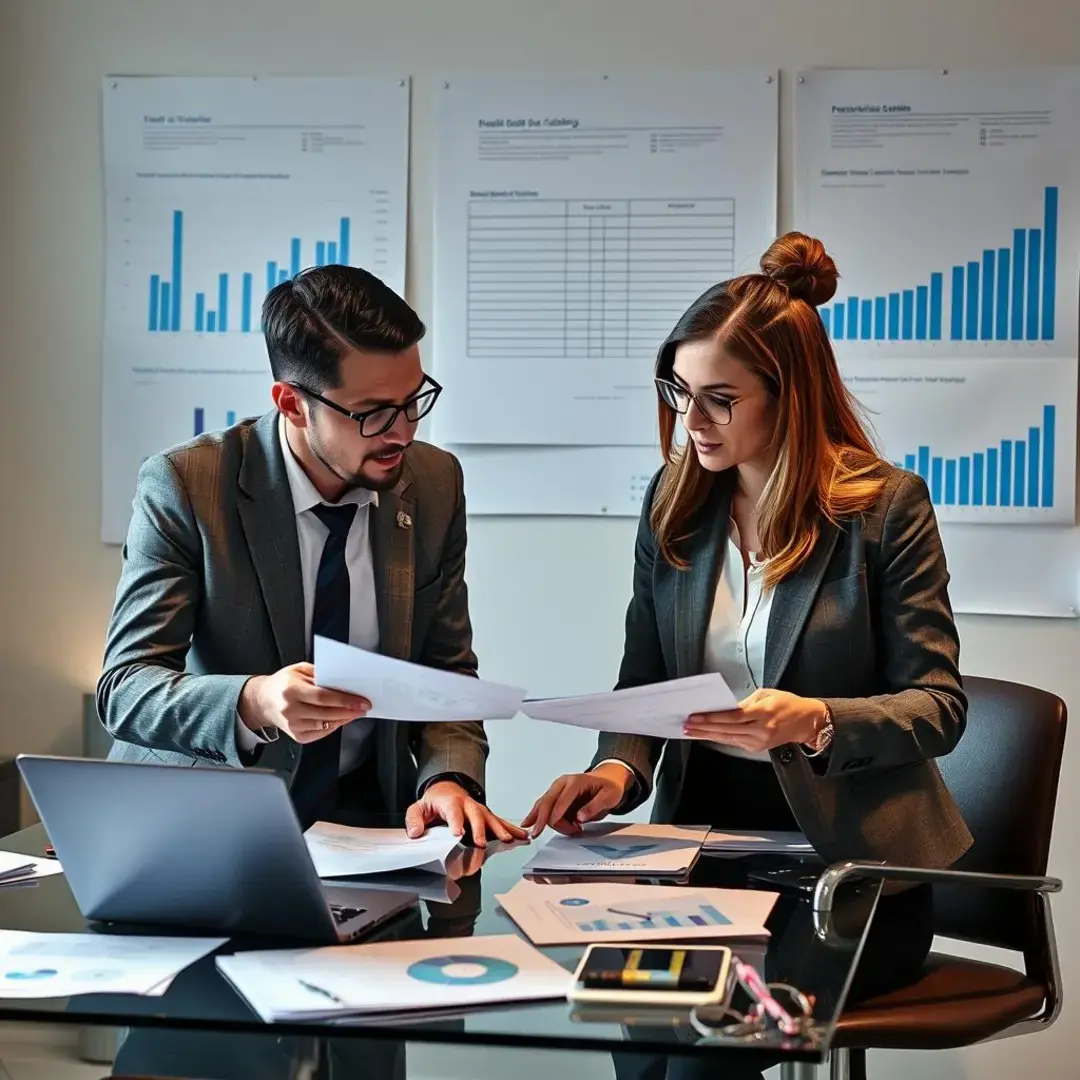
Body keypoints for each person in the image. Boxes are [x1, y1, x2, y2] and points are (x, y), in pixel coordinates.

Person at [523, 232, 973, 1078]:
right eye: (679, 392)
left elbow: (939, 707)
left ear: (788, 395)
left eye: (718, 399)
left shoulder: (884, 512)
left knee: (701, 1048)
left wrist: (812, 720)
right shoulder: (675, 501)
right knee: (636, 1029)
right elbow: (645, 684)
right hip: (704, 861)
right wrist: (616, 773)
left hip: (846, 879)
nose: (690, 421)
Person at [98, 264, 524, 846]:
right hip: (203, 821)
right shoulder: (188, 484)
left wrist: (446, 780)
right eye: (373, 412)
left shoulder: (434, 482)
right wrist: (255, 701)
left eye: (414, 400)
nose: (402, 432)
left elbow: (444, 672)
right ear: (292, 403)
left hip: (366, 826)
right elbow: (124, 687)